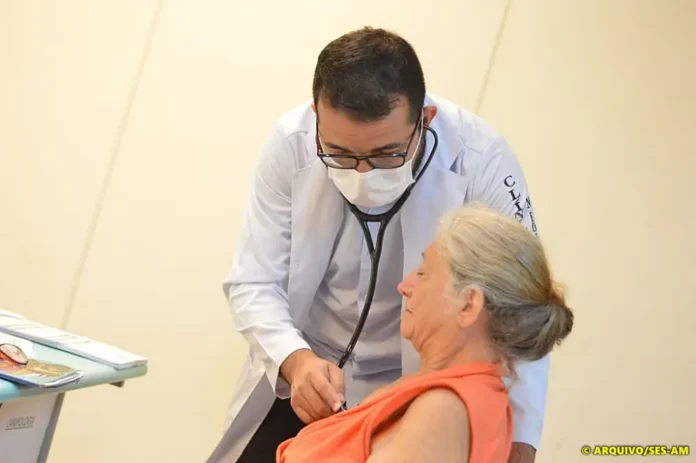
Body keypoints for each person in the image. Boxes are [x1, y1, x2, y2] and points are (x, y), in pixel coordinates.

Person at [207, 26, 546, 463]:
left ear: (425, 120)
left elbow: (519, 309)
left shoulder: (482, 160)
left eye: (387, 154)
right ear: (316, 116)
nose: (362, 175)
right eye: (340, 155)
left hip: (407, 389)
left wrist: (521, 445)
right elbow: (254, 282)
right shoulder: (291, 143)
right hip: (306, 372)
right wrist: (296, 359)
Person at [275, 204, 574, 462]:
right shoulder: (444, 396)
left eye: (423, 273)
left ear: (468, 304)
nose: (404, 287)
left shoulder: (443, 412)